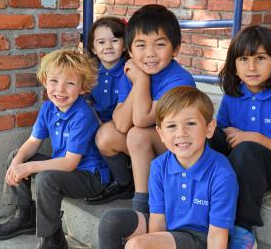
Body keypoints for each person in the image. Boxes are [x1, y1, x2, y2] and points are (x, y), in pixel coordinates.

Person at [0, 49, 110, 249]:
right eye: (54, 81)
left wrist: (29, 168)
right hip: (63, 170)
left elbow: (70, 163)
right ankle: (25, 215)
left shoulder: (82, 115)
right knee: (16, 156)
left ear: (82, 88)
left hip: (89, 178)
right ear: (45, 81)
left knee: (46, 177)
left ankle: (52, 237)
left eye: (70, 83)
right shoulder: (48, 108)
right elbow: (33, 142)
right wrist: (18, 164)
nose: (60, 90)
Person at [98, 86, 239, 249]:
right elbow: (157, 221)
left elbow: (217, 237)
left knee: (138, 245)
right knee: (111, 221)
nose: (181, 133)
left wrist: (148, 244)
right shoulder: (159, 166)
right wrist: (154, 242)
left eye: (191, 123)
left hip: (201, 237)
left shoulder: (221, 174)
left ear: (209, 128)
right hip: (169, 228)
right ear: (161, 133)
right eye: (171, 126)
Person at [85, 4, 196, 207]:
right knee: (105, 134)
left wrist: (142, 80)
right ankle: (125, 183)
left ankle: (143, 203)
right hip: (152, 141)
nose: (150, 53)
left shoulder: (179, 80)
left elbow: (141, 119)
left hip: (178, 149)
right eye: (141, 45)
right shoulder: (132, 72)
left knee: (138, 133)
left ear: (176, 49)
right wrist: (138, 80)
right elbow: (120, 124)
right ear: (130, 50)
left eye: (160, 44)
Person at [208, 25, 271, 249]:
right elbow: (222, 133)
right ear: (234, 63)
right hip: (239, 159)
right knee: (206, 134)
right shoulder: (233, 96)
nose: (251, 67)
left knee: (247, 149)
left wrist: (254, 137)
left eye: (260, 58)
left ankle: (243, 226)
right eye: (243, 59)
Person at [87, 16, 127, 123]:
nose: (108, 46)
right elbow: (87, 102)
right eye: (101, 42)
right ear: (94, 49)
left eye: (114, 40)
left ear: (124, 46)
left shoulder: (129, 72)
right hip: (96, 121)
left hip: (123, 124)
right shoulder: (91, 72)